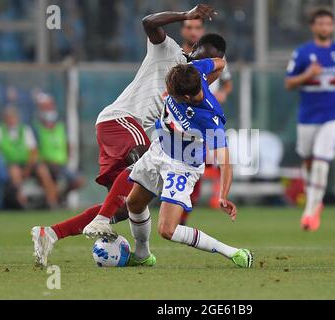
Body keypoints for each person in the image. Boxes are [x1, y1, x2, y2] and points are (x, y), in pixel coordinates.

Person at [31, 4, 226, 267]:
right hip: (121, 119)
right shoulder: (167, 51)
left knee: (123, 206)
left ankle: (50, 234)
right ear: (196, 48)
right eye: (205, 56)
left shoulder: (191, 89)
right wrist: (185, 14)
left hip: (122, 128)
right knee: (141, 165)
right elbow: (148, 22)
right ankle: (107, 226)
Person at [86, 60, 253, 268]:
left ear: (186, 98)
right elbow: (221, 62)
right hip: (159, 149)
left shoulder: (211, 119)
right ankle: (142, 255)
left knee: (167, 230)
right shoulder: (194, 71)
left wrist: (223, 196)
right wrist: (211, 79)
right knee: (134, 204)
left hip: (182, 166)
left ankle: (233, 252)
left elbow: (226, 162)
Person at [285, 8, 335, 231]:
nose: (324, 27)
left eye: (328, 23)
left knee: (322, 162)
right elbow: (289, 83)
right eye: (320, 23)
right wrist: (308, 75)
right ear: (313, 27)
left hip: (332, 115)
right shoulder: (303, 53)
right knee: (307, 160)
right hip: (307, 116)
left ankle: (310, 212)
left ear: (332, 27)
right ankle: (316, 199)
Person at [180, 18, 234, 223]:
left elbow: (226, 82)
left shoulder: (215, 58)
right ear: (182, 30)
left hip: (202, 120)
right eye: (189, 27)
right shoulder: (173, 54)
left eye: (197, 28)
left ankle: (182, 215)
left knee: (196, 167)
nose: (193, 31)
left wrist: (223, 94)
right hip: (176, 116)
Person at [0, 106, 59, 209]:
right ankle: (22, 202)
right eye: (8, 117)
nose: (11, 120)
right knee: (15, 171)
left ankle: (52, 202)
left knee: (43, 171)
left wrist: (28, 169)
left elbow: (33, 151)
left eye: (13, 117)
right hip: (11, 164)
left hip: (27, 163)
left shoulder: (25, 130)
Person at [34, 93, 85, 202]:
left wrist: (66, 159)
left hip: (61, 164)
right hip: (45, 164)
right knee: (44, 174)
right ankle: (52, 203)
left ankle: (59, 196)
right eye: (44, 107)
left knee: (79, 180)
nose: (47, 110)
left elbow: (68, 145)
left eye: (49, 106)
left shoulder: (61, 126)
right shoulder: (36, 127)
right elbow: (34, 149)